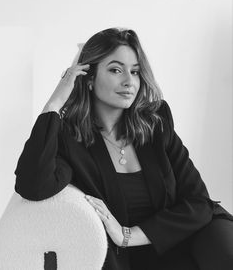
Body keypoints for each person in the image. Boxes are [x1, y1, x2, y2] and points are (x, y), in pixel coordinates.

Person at [14, 27, 233, 270]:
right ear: (88, 78)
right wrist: (55, 103)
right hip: (139, 260)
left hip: (192, 233)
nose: (129, 81)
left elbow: (199, 201)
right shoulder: (70, 138)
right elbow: (32, 186)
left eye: (135, 71)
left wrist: (128, 235)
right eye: (116, 70)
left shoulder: (155, 122)